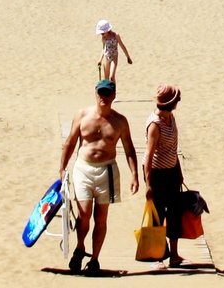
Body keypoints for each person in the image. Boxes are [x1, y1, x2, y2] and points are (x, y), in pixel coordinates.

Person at [61, 79, 139, 276]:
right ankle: (80, 248)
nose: (104, 97)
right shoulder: (82, 115)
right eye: (101, 93)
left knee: (101, 217)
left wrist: (135, 174)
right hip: (83, 168)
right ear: (96, 94)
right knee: (84, 212)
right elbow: (70, 142)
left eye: (108, 94)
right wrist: (62, 168)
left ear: (113, 96)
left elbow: (129, 148)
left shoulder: (120, 121)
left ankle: (95, 258)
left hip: (107, 171)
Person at [143, 85, 186, 269]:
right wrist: (148, 184)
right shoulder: (155, 124)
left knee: (175, 213)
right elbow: (149, 155)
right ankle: (158, 258)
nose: (178, 102)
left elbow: (173, 147)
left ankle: (174, 255)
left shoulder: (171, 117)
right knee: (158, 214)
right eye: (177, 100)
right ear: (171, 102)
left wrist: (179, 170)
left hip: (172, 171)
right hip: (157, 173)